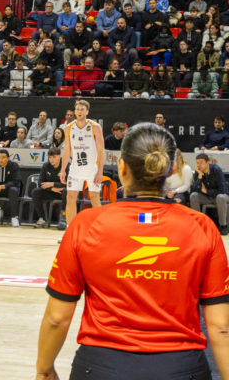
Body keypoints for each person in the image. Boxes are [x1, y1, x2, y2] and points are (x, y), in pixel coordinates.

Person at [39, 121, 229, 380]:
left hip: (100, 367)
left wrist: (45, 371)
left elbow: (56, 318)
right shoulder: (202, 227)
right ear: (173, 168)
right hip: (181, 367)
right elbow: (220, 328)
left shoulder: (86, 224)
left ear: (121, 166)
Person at [59, 100, 105, 231]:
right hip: (75, 169)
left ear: (87, 112)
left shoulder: (95, 126)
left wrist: (100, 171)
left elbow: (101, 150)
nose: (79, 111)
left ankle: (99, 231)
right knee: (70, 198)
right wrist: (63, 170)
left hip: (92, 169)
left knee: (95, 198)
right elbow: (67, 149)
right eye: (77, 109)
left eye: (82, 109)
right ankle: (70, 231)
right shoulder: (68, 127)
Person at [190, 153, 229, 235]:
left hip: (221, 197)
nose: (198, 165)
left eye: (201, 162)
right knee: (193, 196)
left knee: (220, 197)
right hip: (207, 197)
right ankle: (198, 224)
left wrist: (207, 192)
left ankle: (223, 226)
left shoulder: (216, 170)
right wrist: (200, 176)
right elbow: (194, 189)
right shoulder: (198, 172)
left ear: (208, 163)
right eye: (197, 162)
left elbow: (223, 190)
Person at [31, 147, 64, 229]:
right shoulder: (46, 166)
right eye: (50, 157)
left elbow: (68, 183)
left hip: (62, 192)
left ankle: (64, 220)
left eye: (54, 157)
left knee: (67, 191)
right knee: (36, 192)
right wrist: (52, 188)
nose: (51, 160)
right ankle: (42, 219)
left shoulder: (66, 165)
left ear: (59, 156)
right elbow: (40, 183)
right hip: (51, 192)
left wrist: (52, 184)